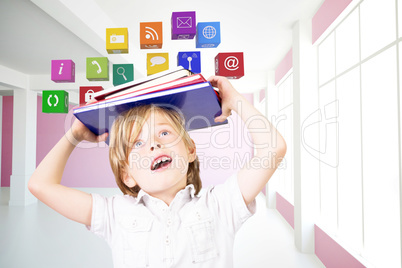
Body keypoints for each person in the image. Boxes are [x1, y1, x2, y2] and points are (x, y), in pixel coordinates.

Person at [28, 76, 287, 267]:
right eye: (137, 143)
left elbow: (273, 148)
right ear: (127, 174)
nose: (153, 144)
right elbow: (40, 186)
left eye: (164, 133)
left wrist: (236, 100)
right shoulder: (113, 214)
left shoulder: (220, 205)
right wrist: (74, 135)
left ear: (190, 150)